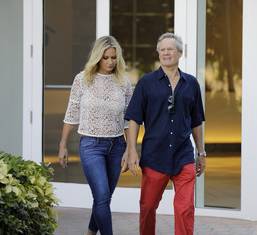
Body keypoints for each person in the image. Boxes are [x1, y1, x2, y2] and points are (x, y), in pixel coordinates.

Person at [123, 32, 206, 235]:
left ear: (180, 53)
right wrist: (131, 150)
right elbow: (134, 118)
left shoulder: (192, 84)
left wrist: (201, 153)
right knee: (148, 207)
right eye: (162, 50)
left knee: (185, 208)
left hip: (183, 155)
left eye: (170, 49)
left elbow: (197, 122)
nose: (166, 53)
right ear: (158, 54)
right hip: (155, 156)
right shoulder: (146, 82)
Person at [58, 35, 132, 235]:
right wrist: (63, 144)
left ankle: (91, 231)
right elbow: (71, 112)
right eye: (105, 57)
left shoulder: (124, 82)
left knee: (104, 198)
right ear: (97, 57)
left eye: (113, 58)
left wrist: (130, 149)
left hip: (117, 146)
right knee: (101, 195)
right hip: (91, 145)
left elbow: (128, 118)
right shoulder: (82, 79)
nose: (110, 62)